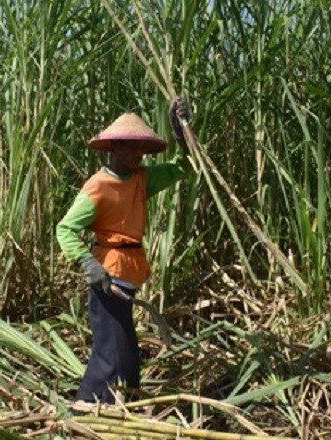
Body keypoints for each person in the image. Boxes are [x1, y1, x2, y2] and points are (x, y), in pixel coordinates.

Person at [56, 98, 193, 407]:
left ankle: (125, 402)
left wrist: (181, 133)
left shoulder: (142, 179)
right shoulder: (99, 186)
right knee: (112, 347)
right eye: (130, 147)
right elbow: (65, 229)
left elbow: (185, 167)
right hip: (107, 272)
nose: (137, 154)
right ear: (114, 148)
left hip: (129, 269)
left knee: (125, 347)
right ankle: (86, 407)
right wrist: (88, 263)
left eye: (141, 148)